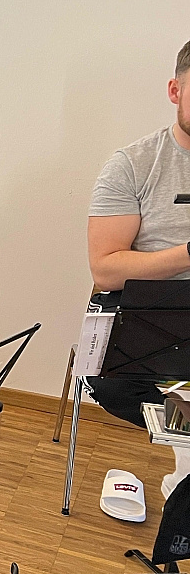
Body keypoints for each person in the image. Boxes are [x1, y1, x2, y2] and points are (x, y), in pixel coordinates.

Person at [87, 41, 190, 438]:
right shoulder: (132, 165)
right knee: (115, 383)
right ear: (175, 91)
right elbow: (106, 270)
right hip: (151, 314)